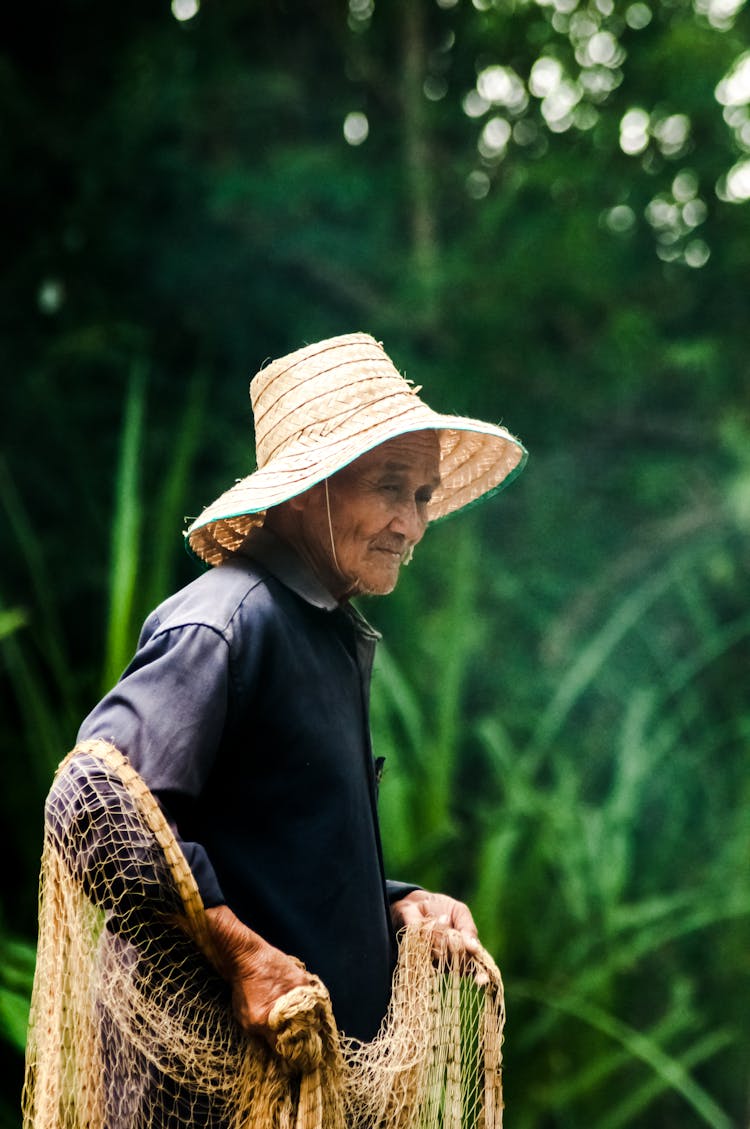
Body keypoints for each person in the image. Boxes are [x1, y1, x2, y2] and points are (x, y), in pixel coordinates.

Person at [75, 331, 527, 1049]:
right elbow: (100, 812)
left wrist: (398, 906)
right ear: (307, 488)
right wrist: (243, 957)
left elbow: (271, 864)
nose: (411, 525)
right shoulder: (224, 623)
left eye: (421, 496)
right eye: (390, 488)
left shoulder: (324, 628)